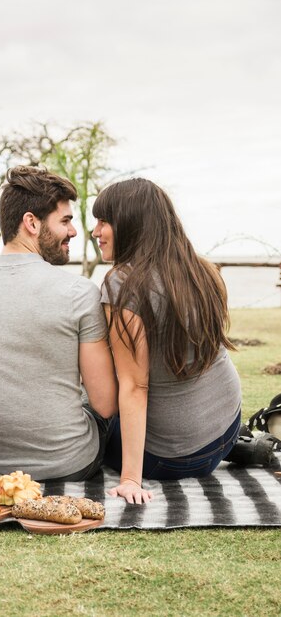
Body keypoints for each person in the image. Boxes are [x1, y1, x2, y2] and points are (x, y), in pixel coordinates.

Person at [0, 166, 118, 481]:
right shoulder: (80, 292)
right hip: (70, 464)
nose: (74, 232)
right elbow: (105, 404)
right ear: (31, 222)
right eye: (65, 221)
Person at [92, 178, 242, 504]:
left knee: (92, 420)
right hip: (227, 431)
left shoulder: (122, 284)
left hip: (169, 458)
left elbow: (134, 386)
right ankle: (242, 447)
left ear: (130, 223)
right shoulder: (202, 270)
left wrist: (131, 478)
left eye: (104, 221)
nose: (95, 231)